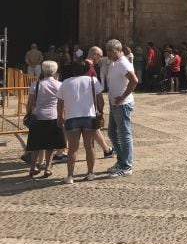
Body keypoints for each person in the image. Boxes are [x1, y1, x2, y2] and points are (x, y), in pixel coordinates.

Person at [56, 60, 104, 184]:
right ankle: (90, 173)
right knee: (89, 146)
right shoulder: (93, 81)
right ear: (87, 70)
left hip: (71, 117)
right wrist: (100, 112)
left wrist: (59, 116)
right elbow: (100, 100)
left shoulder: (65, 82)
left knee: (72, 148)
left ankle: (70, 176)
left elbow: (60, 102)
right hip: (89, 116)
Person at [24, 61, 66, 178]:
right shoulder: (60, 85)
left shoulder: (35, 85)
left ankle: (33, 168)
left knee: (36, 145)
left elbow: (30, 103)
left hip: (38, 117)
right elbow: (62, 102)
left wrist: (27, 114)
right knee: (50, 145)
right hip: (53, 116)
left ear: (43, 70)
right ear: (55, 71)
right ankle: (48, 167)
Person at [105, 39, 138, 178]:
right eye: (107, 50)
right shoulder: (114, 63)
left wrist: (123, 96)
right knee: (112, 133)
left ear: (119, 50)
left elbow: (134, 80)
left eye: (110, 51)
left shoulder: (123, 63)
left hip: (123, 105)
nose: (108, 53)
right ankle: (121, 160)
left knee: (124, 135)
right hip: (115, 104)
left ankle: (126, 166)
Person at [85, 46, 115, 158]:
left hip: (87, 104)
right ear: (94, 55)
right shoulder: (89, 67)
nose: (101, 58)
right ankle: (107, 150)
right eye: (100, 56)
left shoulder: (88, 66)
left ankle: (107, 150)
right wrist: (99, 107)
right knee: (92, 127)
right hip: (89, 104)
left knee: (93, 128)